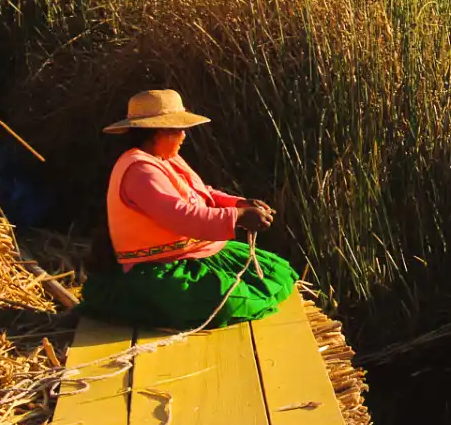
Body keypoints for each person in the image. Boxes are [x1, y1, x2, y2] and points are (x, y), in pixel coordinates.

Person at [78, 89, 297, 329]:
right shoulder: (140, 171)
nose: (184, 135)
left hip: (200, 254)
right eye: (177, 130)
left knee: (278, 273)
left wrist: (238, 203)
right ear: (156, 132)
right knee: (229, 301)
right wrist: (238, 217)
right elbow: (182, 216)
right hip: (160, 269)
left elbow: (201, 192)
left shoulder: (166, 159)